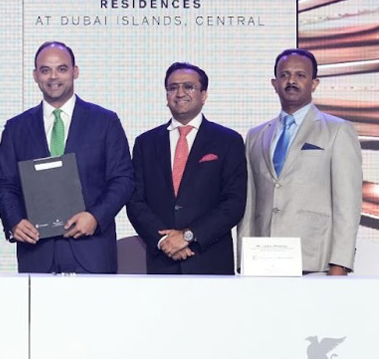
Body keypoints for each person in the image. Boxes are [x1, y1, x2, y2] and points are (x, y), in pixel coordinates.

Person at [0, 41, 134, 273]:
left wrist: (95, 217)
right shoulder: (16, 128)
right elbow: (4, 184)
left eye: (61, 69)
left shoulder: (105, 122)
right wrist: (15, 221)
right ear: (35, 75)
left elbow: (123, 179)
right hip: (36, 252)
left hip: (92, 251)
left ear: (75, 72)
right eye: (45, 70)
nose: (53, 77)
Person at [237, 48, 362, 275]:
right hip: (262, 260)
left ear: (314, 83)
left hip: (315, 261)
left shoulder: (337, 130)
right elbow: (249, 203)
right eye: (284, 75)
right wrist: (243, 258)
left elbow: (348, 203)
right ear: (274, 83)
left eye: (300, 75)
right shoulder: (256, 135)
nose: (291, 81)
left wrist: (340, 263)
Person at [127, 62, 247, 274]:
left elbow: (234, 203)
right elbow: (135, 201)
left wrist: (188, 236)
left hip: (209, 259)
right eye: (173, 88)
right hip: (162, 261)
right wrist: (164, 240)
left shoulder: (228, 141)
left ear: (204, 95)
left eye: (188, 87)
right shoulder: (146, 143)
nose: (180, 93)